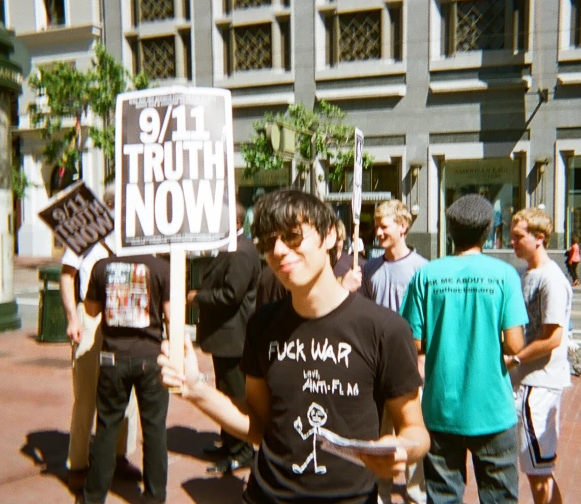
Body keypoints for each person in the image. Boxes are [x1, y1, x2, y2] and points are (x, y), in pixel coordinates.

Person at [159, 189, 430, 504]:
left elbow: (416, 431)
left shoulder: (385, 329)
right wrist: (195, 390)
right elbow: (259, 426)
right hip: (266, 495)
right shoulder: (262, 325)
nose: (278, 251)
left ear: (328, 236)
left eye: (293, 236)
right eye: (267, 242)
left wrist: (400, 450)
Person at [400, 194, 526, 504]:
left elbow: (412, 342)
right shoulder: (505, 275)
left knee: (443, 497)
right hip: (493, 409)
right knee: (500, 497)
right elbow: (515, 343)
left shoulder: (426, 275)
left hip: (441, 407)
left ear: (450, 232)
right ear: (488, 231)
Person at [343, 199, 427, 504]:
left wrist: (422, 360)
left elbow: (428, 323)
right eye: (376, 226)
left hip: (409, 365)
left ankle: (416, 495)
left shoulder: (422, 269)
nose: (378, 232)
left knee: (411, 430)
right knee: (380, 434)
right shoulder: (370, 268)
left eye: (384, 225)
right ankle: (380, 495)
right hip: (377, 365)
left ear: (402, 227)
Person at [60, 185, 140, 491]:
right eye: (120, 205)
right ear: (108, 206)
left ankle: (119, 455)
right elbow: (67, 275)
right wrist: (72, 317)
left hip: (127, 315)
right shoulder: (85, 231)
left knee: (127, 391)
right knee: (87, 393)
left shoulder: (133, 235)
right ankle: (78, 463)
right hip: (91, 316)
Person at [80, 252, 171, 504]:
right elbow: (172, 316)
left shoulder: (103, 267)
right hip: (150, 357)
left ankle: (94, 496)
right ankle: (154, 497)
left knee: (107, 426)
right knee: (154, 429)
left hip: (113, 357)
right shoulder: (160, 267)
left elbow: (91, 310)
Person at [187, 201, 260, 473]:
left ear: (237, 223)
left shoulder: (241, 251)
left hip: (234, 337)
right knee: (226, 391)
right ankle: (230, 442)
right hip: (226, 337)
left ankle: (241, 452)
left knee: (235, 395)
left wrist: (198, 298)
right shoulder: (232, 248)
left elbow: (231, 294)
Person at [509, 208, 573, 504]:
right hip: (525, 383)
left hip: (540, 383)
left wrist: (516, 358)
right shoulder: (525, 274)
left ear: (540, 238)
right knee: (537, 468)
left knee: (539, 472)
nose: (513, 241)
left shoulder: (551, 279)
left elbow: (552, 337)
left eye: (518, 236)